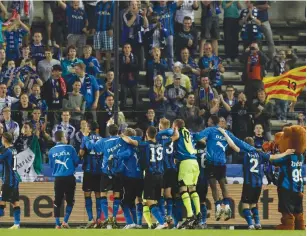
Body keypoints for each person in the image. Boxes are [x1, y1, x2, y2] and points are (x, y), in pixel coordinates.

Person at [218, 132, 295, 229]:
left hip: (249, 182)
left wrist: (225, 135)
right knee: (253, 204)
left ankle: (250, 224)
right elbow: (273, 157)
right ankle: (258, 223)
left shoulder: (245, 152)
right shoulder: (260, 153)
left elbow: (233, 145)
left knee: (245, 204)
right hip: (258, 183)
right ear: (253, 144)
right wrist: (286, 153)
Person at [197, 115, 255, 221]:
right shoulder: (211, 130)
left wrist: (252, 149)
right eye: (221, 121)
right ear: (217, 122)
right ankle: (218, 207)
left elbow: (239, 143)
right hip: (210, 163)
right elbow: (198, 136)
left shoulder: (228, 134)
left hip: (221, 163)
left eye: (224, 121)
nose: (224, 123)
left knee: (223, 184)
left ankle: (227, 207)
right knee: (213, 186)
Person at [122, 126, 176, 229]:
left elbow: (131, 141)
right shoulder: (162, 143)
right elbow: (175, 136)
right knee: (157, 199)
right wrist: (175, 129)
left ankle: (161, 222)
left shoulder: (145, 145)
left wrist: (122, 135)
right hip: (161, 175)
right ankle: (162, 220)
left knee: (149, 201)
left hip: (150, 175)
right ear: (156, 134)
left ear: (147, 134)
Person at [83, 124, 132, 229]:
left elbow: (90, 147)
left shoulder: (103, 141)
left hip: (106, 172)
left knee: (103, 194)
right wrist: (119, 155)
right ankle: (113, 218)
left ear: (108, 132)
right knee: (117, 195)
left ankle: (105, 219)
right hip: (118, 172)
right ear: (118, 131)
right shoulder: (122, 140)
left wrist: (86, 137)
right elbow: (128, 152)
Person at [170, 119, 201, 229]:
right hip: (195, 162)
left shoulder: (177, 132)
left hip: (185, 162)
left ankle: (190, 215)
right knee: (193, 189)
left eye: (173, 125)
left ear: (176, 126)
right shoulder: (190, 133)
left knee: (183, 189)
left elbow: (173, 138)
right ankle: (198, 213)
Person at [48, 130, 79, 229]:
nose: (66, 139)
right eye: (65, 137)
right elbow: (77, 162)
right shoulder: (70, 148)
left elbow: (51, 165)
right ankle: (65, 221)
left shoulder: (51, 150)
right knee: (70, 201)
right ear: (62, 138)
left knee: (57, 201)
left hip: (58, 178)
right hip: (69, 177)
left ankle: (57, 224)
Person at [79, 121, 103, 228]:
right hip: (99, 171)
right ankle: (99, 219)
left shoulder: (86, 138)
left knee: (87, 194)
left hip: (88, 171)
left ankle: (90, 219)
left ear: (89, 128)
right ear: (97, 129)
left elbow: (81, 153)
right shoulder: (102, 139)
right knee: (98, 195)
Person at [156, 118, 177, 225]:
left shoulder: (159, 135)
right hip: (172, 167)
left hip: (162, 167)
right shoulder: (174, 133)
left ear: (161, 125)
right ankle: (169, 215)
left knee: (160, 193)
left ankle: (163, 217)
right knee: (168, 193)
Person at [0, 132, 20, 229]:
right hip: (15, 179)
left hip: (8, 180)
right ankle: (16, 224)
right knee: (15, 201)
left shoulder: (7, 151)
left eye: (2, 139)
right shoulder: (14, 149)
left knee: (1, 201)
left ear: (5, 139)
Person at [240, 42, 269, 107]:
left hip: (258, 80)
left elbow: (266, 60)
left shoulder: (260, 55)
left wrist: (258, 51)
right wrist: (246, 52)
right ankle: (250, 113)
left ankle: (261, 111)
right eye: (251, 47)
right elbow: (240, 59)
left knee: (261, 97)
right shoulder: (248, 55)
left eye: (254, 47)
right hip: (249, 80)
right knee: (248, 98)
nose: (253, 49)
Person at [94, 0, 114, 71]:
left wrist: (111, 28)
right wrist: (94, 27)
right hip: (98, 30)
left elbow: (114, 17)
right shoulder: (98, 4)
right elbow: (95, 16)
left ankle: (108, 68)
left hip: (107, 30)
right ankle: (97, 68)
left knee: (108, 50)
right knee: (97, 49)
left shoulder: (112, 3)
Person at [119, 43, 139, 111]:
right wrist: (128, 65)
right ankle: (123, 113)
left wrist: (129, 63)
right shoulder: (120, 57)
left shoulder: (135, 56)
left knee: (135, 96)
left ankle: (135, 113)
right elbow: (120, 68)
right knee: (123, 94)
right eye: (125, 47)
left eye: (128, 47)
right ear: (123, 49)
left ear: (131, 49)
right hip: (123, 79)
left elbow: (137, 67)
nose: (127, 49)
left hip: (132, 79)